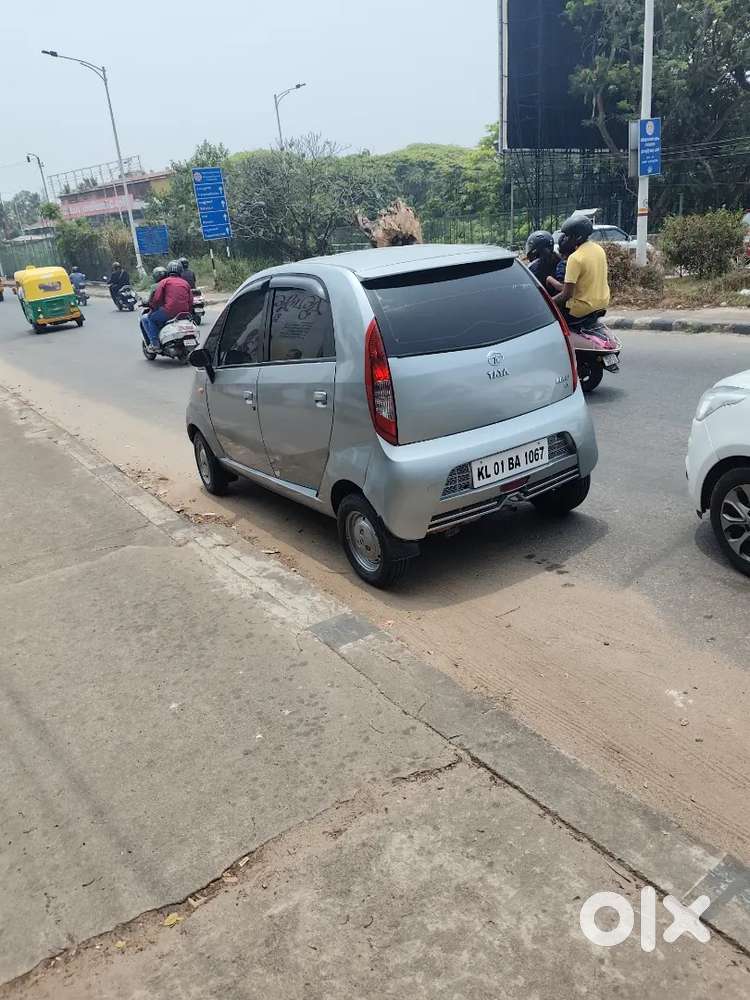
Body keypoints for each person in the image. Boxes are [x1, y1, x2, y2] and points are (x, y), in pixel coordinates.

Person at [553, 215, 610, 324]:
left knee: (552, 320)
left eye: (567, 236)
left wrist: (548, 303)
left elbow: (566, 294)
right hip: (602, 304)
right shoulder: (599, 249)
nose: (564, 239)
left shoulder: (575, 258)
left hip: (581, 311)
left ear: (578, 237)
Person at [143, 260, 192, 349]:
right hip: (184, 313)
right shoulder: (185, 283)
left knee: (150, 318)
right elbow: (190, 300)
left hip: (169, 312)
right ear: (181, 271)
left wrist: (153, 306)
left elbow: (157, 298)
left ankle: (155, 343)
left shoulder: (164, 282)